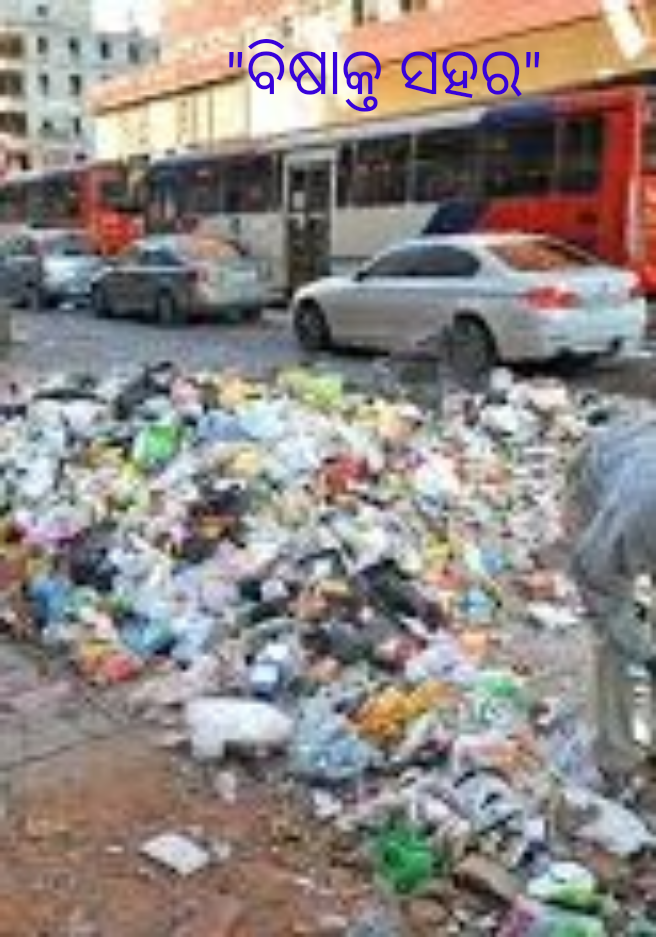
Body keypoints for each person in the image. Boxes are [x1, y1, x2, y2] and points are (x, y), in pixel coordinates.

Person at [566, 414, 656, 786]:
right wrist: (645, 653)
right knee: (615, 640)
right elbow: (596, 578)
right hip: (600, 470)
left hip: (639, 454)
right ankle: (617, 755)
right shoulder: (639, 513)